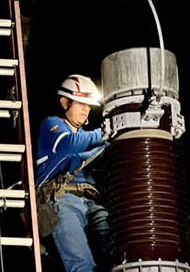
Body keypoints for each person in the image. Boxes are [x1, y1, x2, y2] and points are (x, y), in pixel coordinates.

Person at [35, 74, 111, 272]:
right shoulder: (52, 126)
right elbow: (69, 145)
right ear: (65, 102)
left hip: (93, 202)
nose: (86, 109)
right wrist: (107, 132)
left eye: (89, 105)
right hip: (63, 200)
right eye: (80, 104)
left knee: (112, 258)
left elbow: (88, 151)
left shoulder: (87, 138)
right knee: (82, 266)